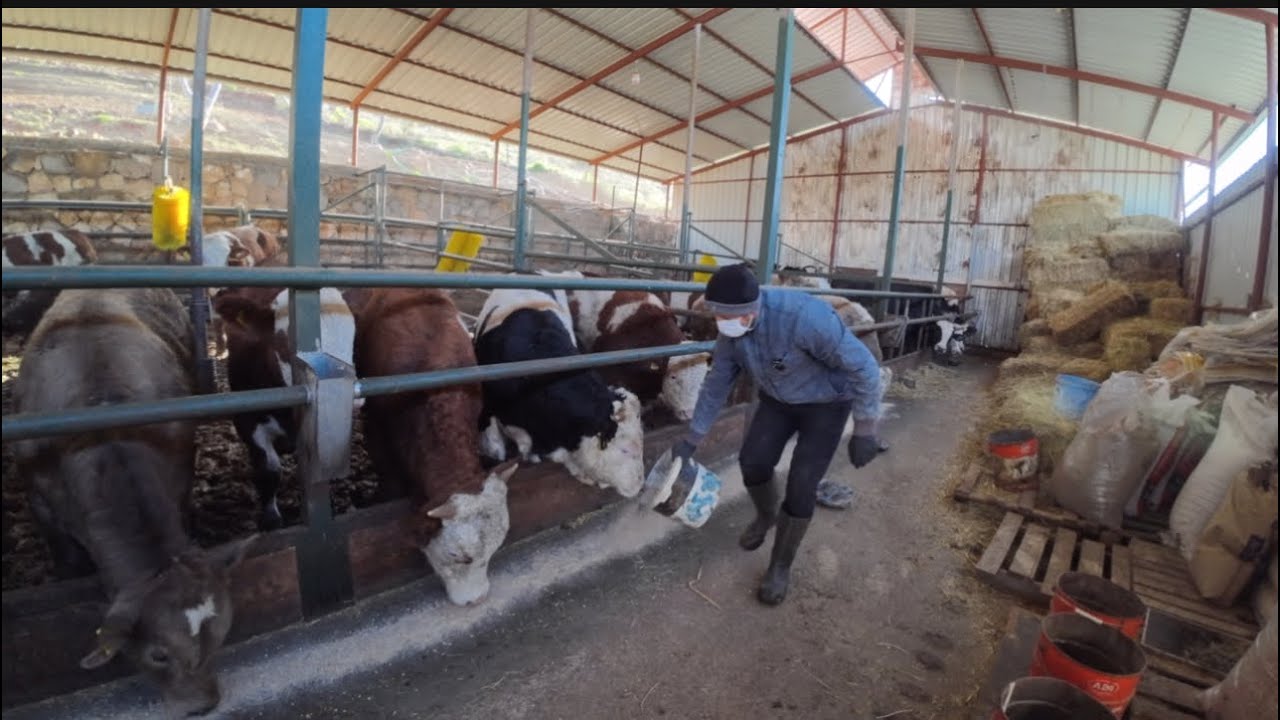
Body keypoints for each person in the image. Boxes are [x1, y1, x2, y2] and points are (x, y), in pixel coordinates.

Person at [669, 263, 883, 606]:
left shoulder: (805, 318)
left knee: (802, 485)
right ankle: (766, 516)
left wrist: (866, 427)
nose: (722, 324)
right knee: (752, 462)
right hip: (778, 400)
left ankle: (780, 566)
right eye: (718, 316)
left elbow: (864, 367)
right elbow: (717, 382)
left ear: (751, 310)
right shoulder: (732, 332)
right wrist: (693, 437)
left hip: (826, 404)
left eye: (728, 316)